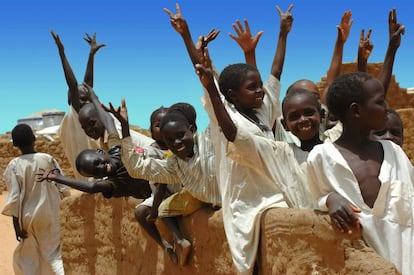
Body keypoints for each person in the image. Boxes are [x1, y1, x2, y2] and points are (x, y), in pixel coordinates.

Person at [307, 71, 414, 275]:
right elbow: (314, 202)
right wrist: (329, 199)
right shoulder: (322, 157)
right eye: (380, 102)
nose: (386, 108)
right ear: (356, 111)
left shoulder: (395, 153)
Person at [114, 100, 221, 266]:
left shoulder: (209, 142)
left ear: (191, 130)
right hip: (201, 199)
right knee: (163, 209)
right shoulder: (174, 165)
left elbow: (219, 113)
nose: (177, 143)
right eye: (170, 140)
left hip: (230, 200)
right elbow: (137, 168)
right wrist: (125, 127)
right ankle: (177, 241)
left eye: (180, 135)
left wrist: (210, 86)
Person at [36, 86, 152, 200]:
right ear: (97, 177)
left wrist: (94, 98)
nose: (102, 167)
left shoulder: (116, 147)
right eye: (97, 172)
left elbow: (108, 121)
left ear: (101, 152)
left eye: (92, 123)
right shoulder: (112, 182)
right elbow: (92, 187)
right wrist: (58, 178)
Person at [2, 124, 70, 275]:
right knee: (53, 255)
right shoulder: (48, 159)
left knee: (28, 257)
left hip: (28, 219)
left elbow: (14, 198)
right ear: (34, 139)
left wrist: (16, 225)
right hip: (51, 214)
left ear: (14, 144)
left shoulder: (14, 165)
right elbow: (63, 187)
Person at [51, 30, 106, 179]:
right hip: (88, 174)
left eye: (89, 99)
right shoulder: (75, 115)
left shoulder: (87, 114)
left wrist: (91, 55)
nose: (87, 103)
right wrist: (61, 52)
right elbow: (73, 85)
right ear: (72, 101)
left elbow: (87, 85)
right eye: (82, 99)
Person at [133, 106, 183, 264]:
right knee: (141, 212)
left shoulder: (181, 144)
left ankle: (180, 239)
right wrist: (153, 209)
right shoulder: (152, 151)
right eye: (158, 125)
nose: (163, 128)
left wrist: (155, 210)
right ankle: (165, 244)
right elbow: (160, 185)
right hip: (161, 192)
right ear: (151, 130)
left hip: (182, 188)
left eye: (168, 122)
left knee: (161, 207)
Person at [280, 87, 323, 165]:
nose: (303, 119)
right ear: (285, 125)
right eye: (294, 116)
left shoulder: (335, 151)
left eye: (308, 113)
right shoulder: (286, 158)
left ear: (321, 115)